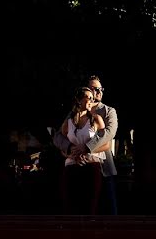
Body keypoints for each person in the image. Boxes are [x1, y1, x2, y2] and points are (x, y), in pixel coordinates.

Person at [55, 75, 119, 214]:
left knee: (107, 210)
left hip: (103, 167)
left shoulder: (108, 111)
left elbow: (108, 134)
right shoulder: (73, 115)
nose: (99, 92)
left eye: (101, 89)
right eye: (95, 89)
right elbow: (59, 136)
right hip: (75, 165)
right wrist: (70, 149)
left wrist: (86, 148)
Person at [59, 86, 106, 214]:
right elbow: (62, 148)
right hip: (71, 167)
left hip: (91, 166)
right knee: (70, 208)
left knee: (90, 208)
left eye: (92, 98)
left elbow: (106, 145)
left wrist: (87, 149)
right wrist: (71, 154)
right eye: (87, 98)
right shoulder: (67, 123)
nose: (91, 100)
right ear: (78, 100)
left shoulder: (96, 120)